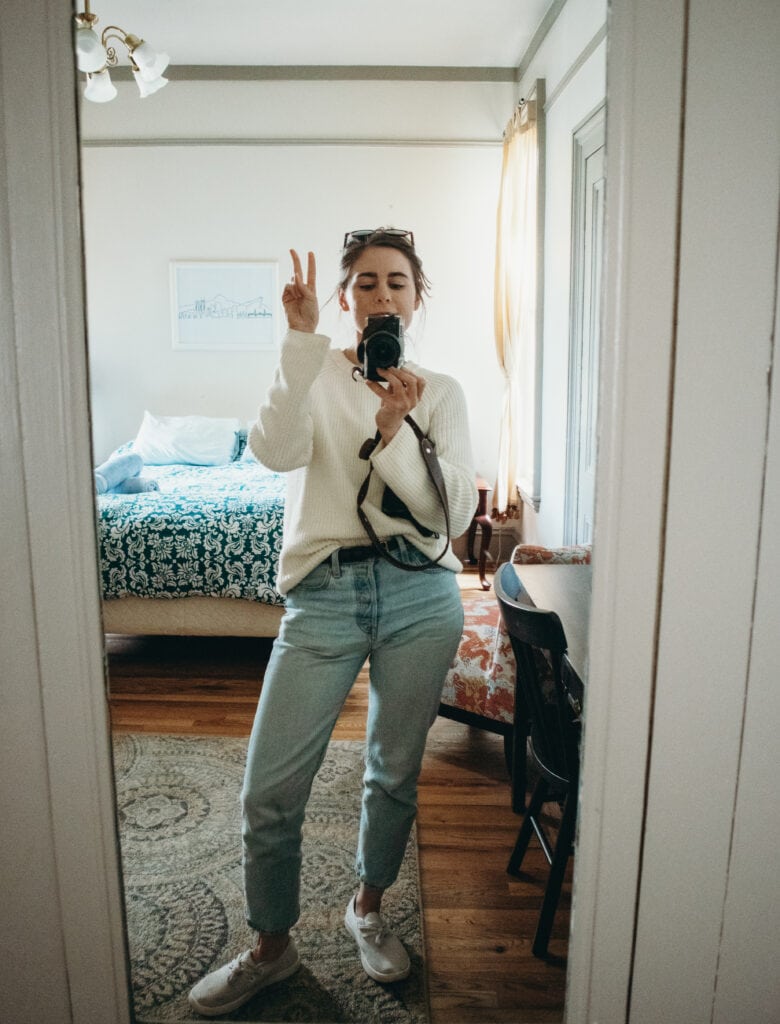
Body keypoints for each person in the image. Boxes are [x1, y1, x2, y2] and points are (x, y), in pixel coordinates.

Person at [188, 228, 477, 1017]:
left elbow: (450, 516)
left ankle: (368, 907)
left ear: (417, 298)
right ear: (346, 298)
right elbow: (273, 453)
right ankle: (270, 948)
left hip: (421, 597)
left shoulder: (440, 392)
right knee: (270, 789)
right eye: (367, 284)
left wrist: (396, 431)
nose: (383, 296)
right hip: (323, 594)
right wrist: (298, 343)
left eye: (397, 283)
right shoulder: (312, 371)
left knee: (392, 771)